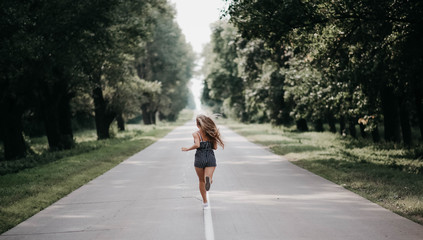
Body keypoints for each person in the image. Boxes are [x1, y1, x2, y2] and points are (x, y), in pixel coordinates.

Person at [181, 114, 224, 209]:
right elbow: (215, 148)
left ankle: (205, 202)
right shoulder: (212, 133)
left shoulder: (196, 134)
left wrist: (187, 149)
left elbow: (197, 145)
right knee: (207, 178)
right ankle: (208, 179)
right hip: (210, 157)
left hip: (199, 158)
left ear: (198, 124)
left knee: (201, 181)